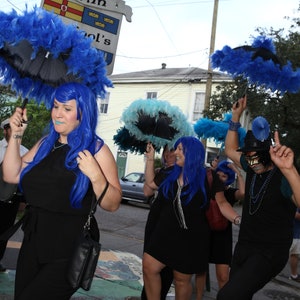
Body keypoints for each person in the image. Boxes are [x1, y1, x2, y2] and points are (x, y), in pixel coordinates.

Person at [2, 82, 122, 300]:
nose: (57, 114)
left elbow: (112, 204)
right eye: (55, 106)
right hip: (33, 242)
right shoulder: (45, 144)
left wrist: (96, 176)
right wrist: (16, 136)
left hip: (68, 249)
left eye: (66, 109)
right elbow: (11, 175)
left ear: (82, 112)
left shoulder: (97, 150)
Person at [218, 95, 300, 299]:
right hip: (245, 245)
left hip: (270, 252)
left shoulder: (283, 177)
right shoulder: (253, 167)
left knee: (227, 297)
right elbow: (229, 149)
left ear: (265, 153)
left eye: (254, 156)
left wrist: (289, 170)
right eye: (247, 156)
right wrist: (235, 116)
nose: (249, 160)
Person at [142, 136, 240, 299]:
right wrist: (151, 159)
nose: (176, 152)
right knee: (149, 267)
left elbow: (222, 204)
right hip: (165, 233)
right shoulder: (169, 173)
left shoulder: (208, 177)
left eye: (180, 149)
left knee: (181, 280)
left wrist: (238, 219)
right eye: (176, 148)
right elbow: (150, 184)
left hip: (191, 238)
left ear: (192, 153)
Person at [142, 143, 176, 299]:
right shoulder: (164, 171)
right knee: (149, 267)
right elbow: (147, 191)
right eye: (166, 151)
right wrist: (150, 160)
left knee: (163, 269)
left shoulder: (177, 172)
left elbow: (149, 187)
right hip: (156, 221)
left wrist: (150, 160)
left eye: (173, 151)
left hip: (170, 225)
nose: (168, 154)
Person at [209, 160, 245, 289]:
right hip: (205, 235)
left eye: (224, 176)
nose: (220, 178)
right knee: (199, 272)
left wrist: (238, 173)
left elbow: (243, 193)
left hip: (222, 239)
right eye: (218, 175)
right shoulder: (208, 189)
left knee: (223, 277)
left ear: (229, 178)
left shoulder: (229, 193)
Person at [0, 119, 28, 272]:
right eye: (11, 128)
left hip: (12, 200)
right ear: (5, 130)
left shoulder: (25, 152)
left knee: (5, 231)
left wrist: (23, 199)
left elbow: (26, 179)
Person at [288, 207, 300, 281]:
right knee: (294, 254)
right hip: (295, 233)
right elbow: (295, 214)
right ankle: (293, 275)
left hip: (294, 232)